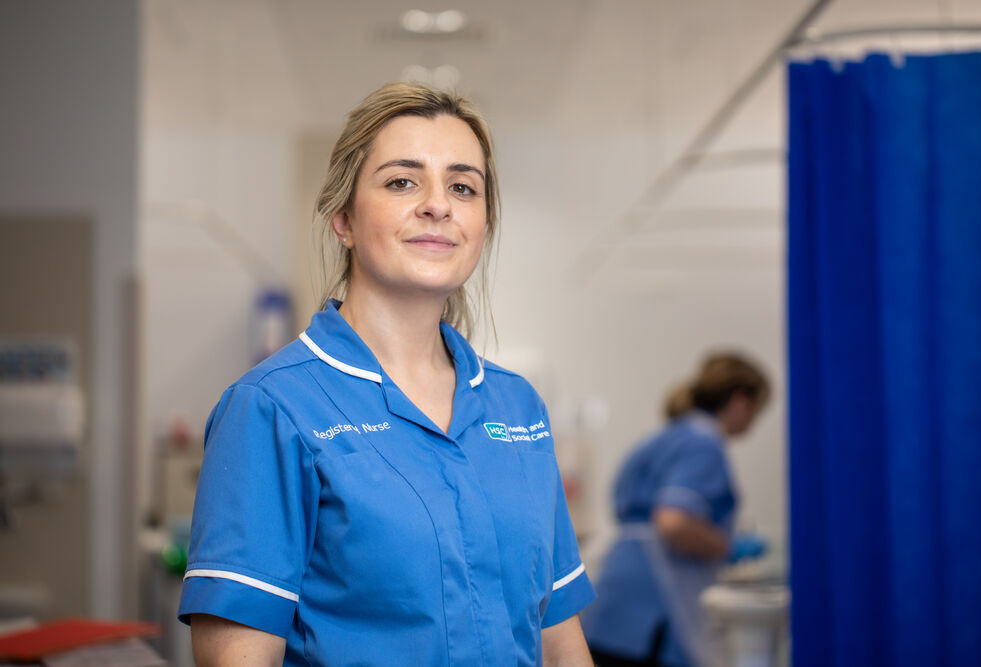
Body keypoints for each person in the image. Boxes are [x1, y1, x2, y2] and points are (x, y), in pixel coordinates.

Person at [177, 82, 596, 666]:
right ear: (343, 218)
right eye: (403, 181)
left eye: (462, 186)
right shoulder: (272, 408)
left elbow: (558, 642)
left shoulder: (517, 407)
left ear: (482, 223)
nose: (437, 204)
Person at [582, 353, 770, 667]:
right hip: (652, 610)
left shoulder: (664, 438)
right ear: (740, 402)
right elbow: (674, 522)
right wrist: (729, 546)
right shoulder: (703, 444)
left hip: (616, 605)